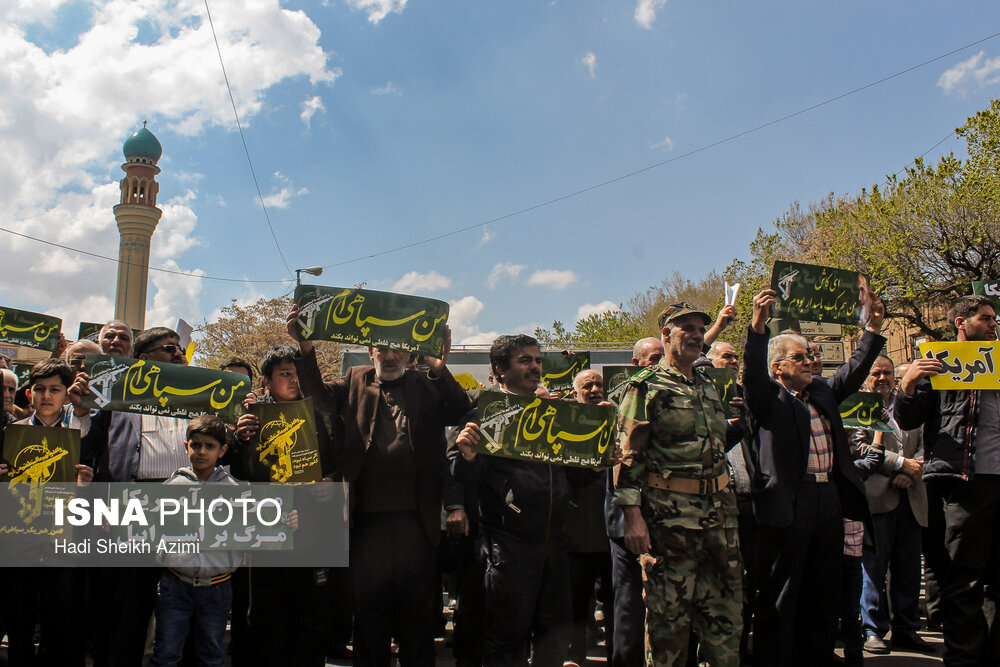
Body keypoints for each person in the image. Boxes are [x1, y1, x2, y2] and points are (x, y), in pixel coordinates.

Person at [288, 305, 471, 667]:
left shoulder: (425, 383)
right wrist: (306, 348)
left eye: (396, 349)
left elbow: (460, 409)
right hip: (366, 523)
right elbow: (318, 397)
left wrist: (439, 366)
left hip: (415, 524)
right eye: (380, 349)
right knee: (370, 617)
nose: (389, 355)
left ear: (410, 353)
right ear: (369, 352)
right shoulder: (355, 378)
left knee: (417, 619)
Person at [743, 289, 884, 666]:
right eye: (800, 357)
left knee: (824, 588)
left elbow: (852, 371)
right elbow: (752, 375)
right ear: (777, 367)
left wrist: (871, 329)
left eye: (811, 356)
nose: (810, 361)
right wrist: (758, 327)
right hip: (789, 503)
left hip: (828, 501)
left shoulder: (820, 391)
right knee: (783, 590)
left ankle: (817, 656)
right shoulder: (767, 399)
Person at [453, 334, 599, 667]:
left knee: (553, 640)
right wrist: (468, 458)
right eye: (525, 360)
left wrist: (595, 466)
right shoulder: (483, 417)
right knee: (506, 641)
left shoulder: (555, 416)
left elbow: (571, 478)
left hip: (555, 547)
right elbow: (463, 481)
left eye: (537, 360)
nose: (535, 367)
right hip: (508, 547)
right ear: (499, 370)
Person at [615, 303, 744, 666]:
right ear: (666, 335)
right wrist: (632, 516)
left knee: (726, 622)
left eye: (700, 329)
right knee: (668, 626)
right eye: (685, 327)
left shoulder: (709, 386)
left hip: (720, 522)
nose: (695, 334)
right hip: (670, 524)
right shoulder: (645, 387)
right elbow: (627, 456)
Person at [895, 294, 1000, 665]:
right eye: (985, 319)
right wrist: (908, 384)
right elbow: (907, 421)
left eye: (994, 319)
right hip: (961, 481)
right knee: (963, 576)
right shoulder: (939, 364)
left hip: (996, 479)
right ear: (961, 323)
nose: (992, 325)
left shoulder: (998, 362)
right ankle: (963, 657)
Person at [233, 344, 338, 667]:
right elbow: (239, 473)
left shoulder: (322, 413)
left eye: (297, 373)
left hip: (312, 529)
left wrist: (333, 483)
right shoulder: (251, 418)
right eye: (285, 374)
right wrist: (240, 440)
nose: (294, 381)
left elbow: (338, 461)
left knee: (312, 613)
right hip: (267, 530)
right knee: (267, 614)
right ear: (265, 381)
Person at [2, 359, 93, 666]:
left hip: (60, 544)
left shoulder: (79, 436)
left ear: (67, 394)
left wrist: (84, 484)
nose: (47, 396)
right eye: (40, 389)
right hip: (18, 543)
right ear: (29, 393)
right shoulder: (10, 434)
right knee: (19, 622)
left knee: (60, 623)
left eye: (55, 389)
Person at [852, 356, 930, 654]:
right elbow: (857, 445)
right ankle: (873, 628)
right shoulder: (858, 405)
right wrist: (899, 464)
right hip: (877, 499)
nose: (882, 378)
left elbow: (926, 440)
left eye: (886, 373)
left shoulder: (909, 404)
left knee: (909, 568)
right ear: (867, 377)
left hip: (912, 496)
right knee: (873, 568)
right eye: (876, 373)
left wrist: (912, 471)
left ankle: (906, 628)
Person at [148, 415, 240, 667]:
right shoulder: (171, 487)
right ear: (185, 446)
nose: (201, 451)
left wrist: (285, 522)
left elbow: (261, 525)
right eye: (196, 444)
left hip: (217, 587)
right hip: (175, 584)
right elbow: (146, 525)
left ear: (222, 451)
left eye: (209, 446)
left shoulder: (235, 491)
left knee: (211, 654)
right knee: (166, 653)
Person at [604, 337, 662, 667]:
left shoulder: (674, 392)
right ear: (636, 362)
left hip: (663, 517)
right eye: (653, 359)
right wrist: (630, 514)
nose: (658, 365)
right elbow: (624, 461)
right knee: (629, 606)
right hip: (627, 519)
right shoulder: (628, 396)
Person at [565, 369, 613, 664]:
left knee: (617, 604)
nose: (595, 389)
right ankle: (573, 656)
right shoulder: (565, 428)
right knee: (575, 604)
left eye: (599, 385)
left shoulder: (619, 423)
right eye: (588, 386)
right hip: (577, 535)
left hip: (615, 534)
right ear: (575, 394)